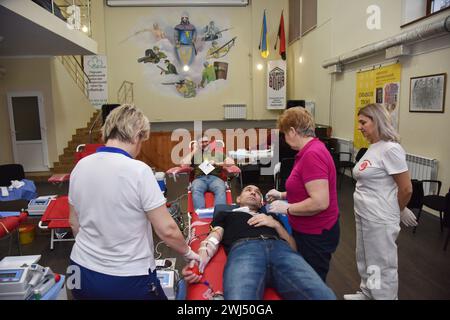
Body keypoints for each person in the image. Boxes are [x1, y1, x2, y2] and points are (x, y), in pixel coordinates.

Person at [68, 104, 199, 300]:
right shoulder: (138, 170)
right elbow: (167, 230)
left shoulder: (80, 166)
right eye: (142, 140)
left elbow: (74, 222)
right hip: (125, 278)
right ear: (137, 134)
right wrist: (188, 253)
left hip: (79, 272)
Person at [182, 185, 336, 300]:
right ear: (238, 199)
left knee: (324, 295)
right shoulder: (226, 214)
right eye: (248, 190)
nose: (253, 192)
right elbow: (214, 238)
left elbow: (293, 248)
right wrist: (199, 261)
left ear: (262, 202)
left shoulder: (273, 217)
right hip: (245, 251)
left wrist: (274, 224)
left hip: (281, 250)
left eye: (257, 192)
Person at [344, 103, 416, 300]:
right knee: (366, 259)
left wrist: (398, 210)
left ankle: (384, 297)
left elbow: (406, 188)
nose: (360, 127)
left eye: (363, 122)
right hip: (364, 213)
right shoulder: (374, 147)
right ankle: (369, 293)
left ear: (377, 121)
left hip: (379, 216)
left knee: (381, 264)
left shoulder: (391, 149)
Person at [266, 107, 339, 282]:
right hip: (309, 230)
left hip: (316, 234)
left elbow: (320, 202)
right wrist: (282, 195)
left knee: (312, 284)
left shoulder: (312, 154)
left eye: (284, 134)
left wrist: (287, 208)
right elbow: (305, 188)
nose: (284, 139)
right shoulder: (309, 151)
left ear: (292, 131)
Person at [181, 135, 234, 210]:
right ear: (198, 144)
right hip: (199, 179)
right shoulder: (194, 155)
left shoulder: (217, 153)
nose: (205, 144)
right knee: (196, 188)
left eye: (206, 141)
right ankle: (200, 214)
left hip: (215, 178)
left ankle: (218, 213)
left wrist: (217, 163)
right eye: (202, 142)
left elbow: (231, 162)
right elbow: (183, 165)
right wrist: (194, 150)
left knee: (221, 188)